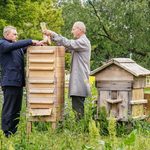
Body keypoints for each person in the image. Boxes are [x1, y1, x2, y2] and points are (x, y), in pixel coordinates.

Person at [0, 26, 43, 137]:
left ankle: (13, 132)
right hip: (9, 82)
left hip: (18, 82)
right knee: (9, 108)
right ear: (7, 35)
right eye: (14, 34)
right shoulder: (2, 44)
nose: (16, 36)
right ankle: (5, 132)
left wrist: (34, 44)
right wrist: (30, 40)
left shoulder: (15, 47)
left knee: (16, 109)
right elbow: (14, 46)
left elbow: (21, 48)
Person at [44, 21, 91, 119]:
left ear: (80, 30)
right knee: (77, 105)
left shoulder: (83, 42)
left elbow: (68, 43)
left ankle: (80, 129)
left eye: (73, 29)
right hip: (79, 79)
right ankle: (80, 127)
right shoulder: (79, 44)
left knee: (78, 106)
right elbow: (65, 47)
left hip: (80, 79)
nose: (72, 31)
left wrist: (53, 34)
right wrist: (49, 40)